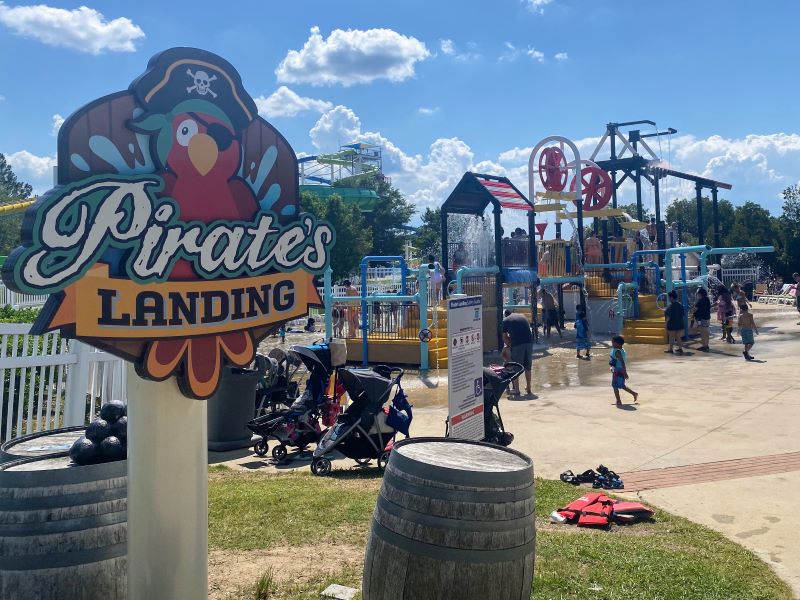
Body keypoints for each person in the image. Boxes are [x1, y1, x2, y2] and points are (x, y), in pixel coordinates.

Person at [502, 309, 533, 395]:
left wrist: (508, 345)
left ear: (505, 315)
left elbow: (504, 337)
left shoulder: (505, 320)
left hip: (517, 344)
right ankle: (529, 388)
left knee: (515, 367)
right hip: (529, 342)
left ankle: (516, 390)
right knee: (527, 366)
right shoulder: (522, 316)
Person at [610, 335, 638, 407]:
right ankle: (633, 394)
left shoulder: (617, 352)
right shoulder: (620, 349)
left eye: (613, 342)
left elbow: (622, 362)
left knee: (617, 385)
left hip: (619, 370)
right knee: (618, 385)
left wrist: (624, 372)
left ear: (617, 343)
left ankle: (619, 400)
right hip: (617, 370)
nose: (612, 344)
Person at [664, 290, 685, 354]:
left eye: (669, 297)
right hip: (680, 324)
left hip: (672, 324)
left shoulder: (670, 306)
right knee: (678, 337)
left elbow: (668, 317)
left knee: (671, 337)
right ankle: (680, 348)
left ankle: (670, 349)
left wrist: (666, 324)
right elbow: (683, 315)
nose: (669, 299)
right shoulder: (680, 305)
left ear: (671, 298)